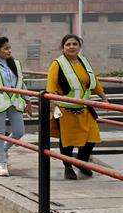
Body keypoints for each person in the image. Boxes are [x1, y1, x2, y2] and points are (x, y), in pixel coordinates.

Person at [46, 34, 109, 180]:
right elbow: (51, 84)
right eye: (68, 44)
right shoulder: (57, 64)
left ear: (79, 46)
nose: (72, 47)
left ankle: (81, 162)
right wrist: (52, 103)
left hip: (85, 108)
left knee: (92, 137)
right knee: (67, 140)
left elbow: (95, 82)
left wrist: (104, 98)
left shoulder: (85, 62)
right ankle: (68, 166)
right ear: (63, 47)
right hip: (66, 110)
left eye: (75, 44)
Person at [0, 37, 33, 177]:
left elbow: (21, 83)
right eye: (5, 48)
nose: (9, 51)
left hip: (14, 102)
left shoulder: (15, 64)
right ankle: (1, 163)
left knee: (19, 132)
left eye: (10, 48)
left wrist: (28, 101)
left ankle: (3, 149)